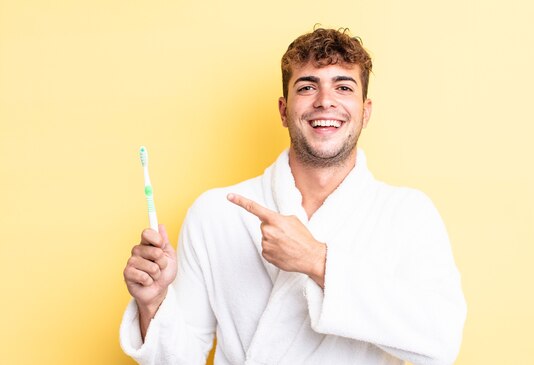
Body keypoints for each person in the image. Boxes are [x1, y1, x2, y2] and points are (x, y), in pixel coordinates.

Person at [120, 27, 466, 365]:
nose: (325, 100)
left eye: (343, 87)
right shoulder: (215, 213)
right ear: (284, 110)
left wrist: (318, 261)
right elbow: (180, 359)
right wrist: (153, 304)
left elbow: (440, 343)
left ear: (366, 111)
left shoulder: (407, 215)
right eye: (307, 87)